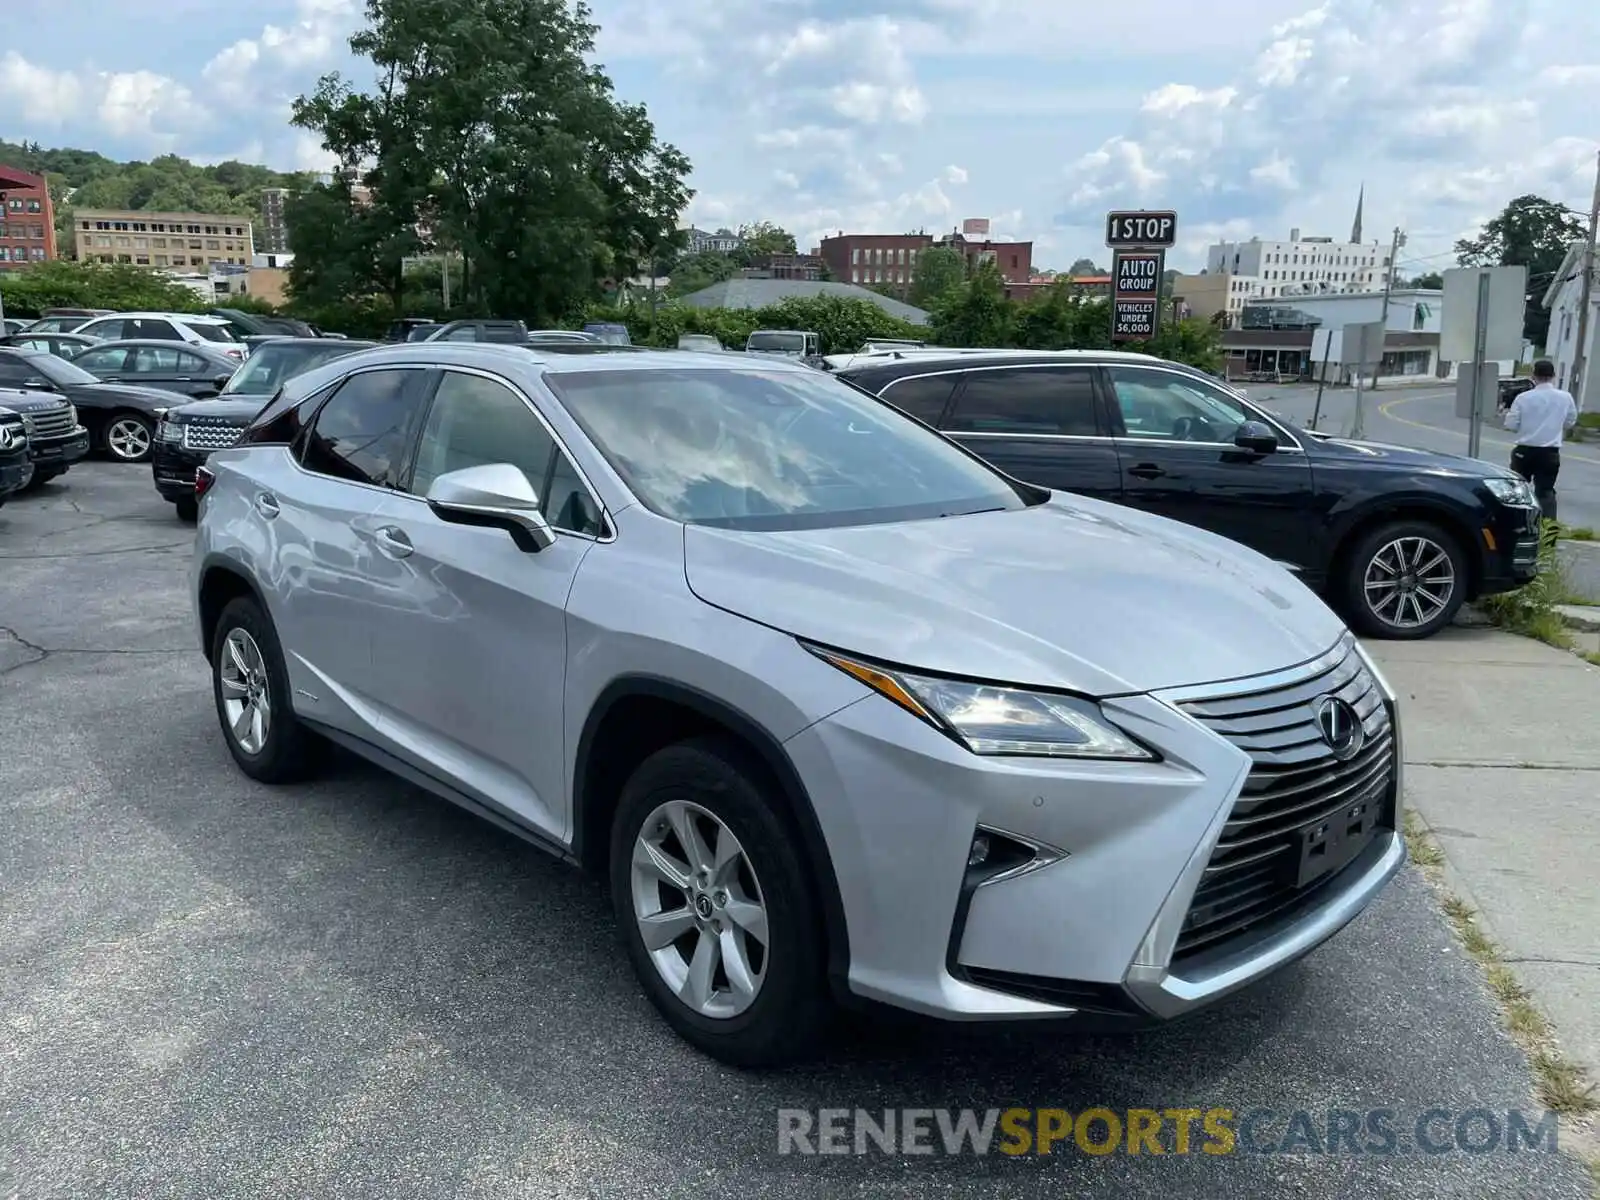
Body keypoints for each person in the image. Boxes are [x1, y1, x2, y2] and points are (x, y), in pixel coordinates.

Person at [1503, 359, 1577, 523]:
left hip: (1524, 450)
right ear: (1553, 376)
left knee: (1517, 491)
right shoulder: (1565, 398)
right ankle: (1547, 533)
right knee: (1546, 492)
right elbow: (1570, 421)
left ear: (1533, 376)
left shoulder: (1523, 398)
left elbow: (1511, 424)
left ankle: (1517, 526)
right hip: (1549, 452)